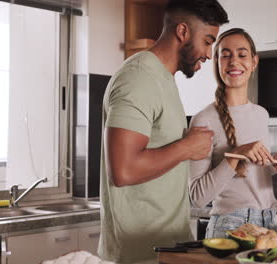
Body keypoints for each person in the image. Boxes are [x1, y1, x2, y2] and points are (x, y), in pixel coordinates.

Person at [98, 1, 228, 263]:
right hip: (138, 253)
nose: (209, 53)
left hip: (164, 247)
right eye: (207, 40)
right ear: (183, 32)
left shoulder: (163, 79)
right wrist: (186, 147)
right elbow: (123, 171)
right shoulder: (138, 78)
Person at [188, 28, 277, 238]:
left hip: (270, 223)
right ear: (217, 63)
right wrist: (236, 153)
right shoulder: (204, 119)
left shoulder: (261, 114)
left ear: (254, 62)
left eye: (242, 54)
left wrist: (273, 162)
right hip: (231, 227)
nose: (234, 61)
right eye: (225, 55)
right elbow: (198, 197)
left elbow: (247, 176)